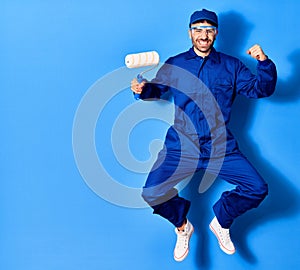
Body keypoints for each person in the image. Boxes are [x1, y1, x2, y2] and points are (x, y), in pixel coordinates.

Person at [130, 8, 277, 262]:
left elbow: (259, 89)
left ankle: (221, 221)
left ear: (216, 33)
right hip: (181, 145)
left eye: (208, 30)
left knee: (257, 188)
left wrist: (264, 64)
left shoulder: (231, 66)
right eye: (198, 29)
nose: (203, 35)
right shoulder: (176, 64)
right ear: (190, 33)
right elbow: (157, 89)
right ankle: (182, 226)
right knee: (152, 192)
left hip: (220, 146)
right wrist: (142, 89)